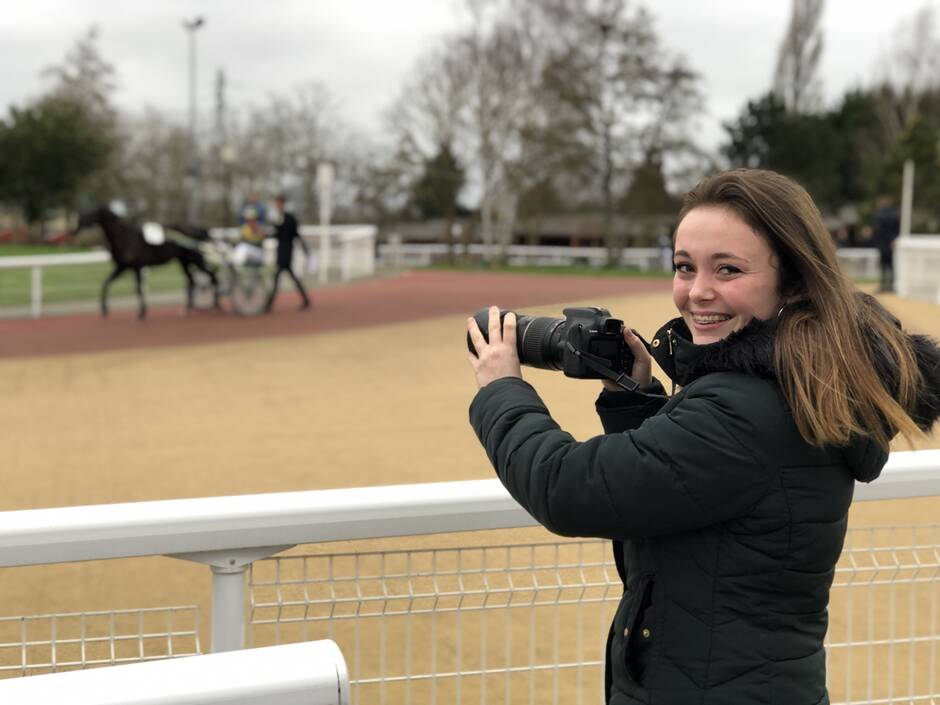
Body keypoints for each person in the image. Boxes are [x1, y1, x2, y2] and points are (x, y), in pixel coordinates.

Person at [466, 169, 940, 705]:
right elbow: (678, 498)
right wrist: (633, 399)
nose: (697, 292)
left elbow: (568, 488)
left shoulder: (748, 408)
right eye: (684, 266)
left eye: (728, 269)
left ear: (793, 280)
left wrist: (501, 388)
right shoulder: (806, 383)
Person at [264, 195, 311, 312]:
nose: (277, 205)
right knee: (289, 277)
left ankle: (269, 304)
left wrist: (305, 249)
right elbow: (277, 234)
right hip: (281, 251)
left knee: (278, 277)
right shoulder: (279, 218)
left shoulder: (289, 218)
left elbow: (296, 234)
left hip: (287, 252)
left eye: (278, 203)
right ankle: (305, 299)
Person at [872, 194, 901, 292]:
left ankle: (883, 285)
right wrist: (893, 239)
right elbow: (897, 229)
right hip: (893, 243)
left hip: (883, 243)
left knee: (884, 265)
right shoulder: (895, 214)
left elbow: (879, 230)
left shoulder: (879, 215)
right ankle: (892, 286)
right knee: (892, 265)